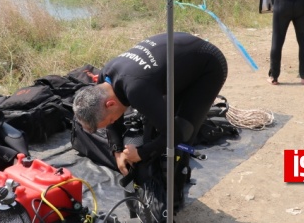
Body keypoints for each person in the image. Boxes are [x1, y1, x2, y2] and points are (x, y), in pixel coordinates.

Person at [72, 32, 227, 177]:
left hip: (208, 64)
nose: (113, 122)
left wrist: (142, 153)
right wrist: (117, 150)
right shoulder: (104, 82)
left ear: (110, 103)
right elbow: (113, 125)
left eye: (111, 119)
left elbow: (175, 134)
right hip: (176, 57)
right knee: (153, 126)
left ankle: (178, 177)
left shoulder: (136, 90)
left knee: (184, 130)